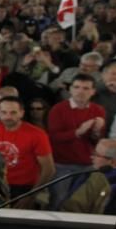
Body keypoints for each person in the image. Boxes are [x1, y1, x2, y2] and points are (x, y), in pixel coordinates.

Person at [47, 74, 106, 206]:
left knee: (83, 202)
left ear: (93, 91)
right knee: (59, 200)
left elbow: (97, 141)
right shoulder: (58, 109)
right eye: (77, 87)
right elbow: (54, 138)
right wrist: (78, 132)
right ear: (70, 90)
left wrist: (96, 131)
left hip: (87, 164)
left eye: (86, 88)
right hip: (62, 164)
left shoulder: (98, 110)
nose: (80, 91)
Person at [0, 96, 55, 206]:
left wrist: (31, 195)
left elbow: (49, 169)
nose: (8, 117)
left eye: (13, 113)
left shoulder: (37, 135)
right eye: (4, 112)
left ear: (21, 113)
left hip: (23, 188)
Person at [60, 138, 116, 214]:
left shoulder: (98, 179)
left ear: (113, 162)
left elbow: (72, 209)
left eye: (96, 154)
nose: (92, 157)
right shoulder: (89, 172)